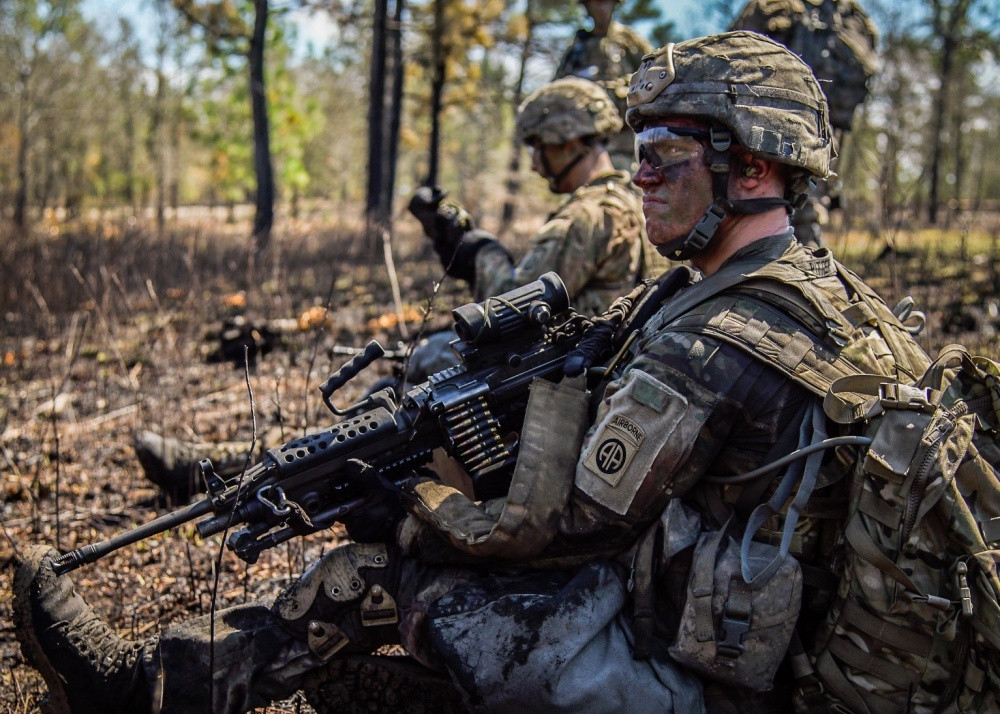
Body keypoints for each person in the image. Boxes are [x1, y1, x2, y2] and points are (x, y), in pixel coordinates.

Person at [12, 32, 936, 714]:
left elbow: (554, 534)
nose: (642, 176)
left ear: (756, 163)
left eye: (664, 154)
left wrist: (414, 496)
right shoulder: (819, 292)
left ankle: (139, 691)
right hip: (764, 639)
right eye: (637, 149)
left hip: (710, 679)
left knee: (371, 574)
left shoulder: (715, 340)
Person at [134, 76, 647, 501]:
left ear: (567, 139)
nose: (534, 163)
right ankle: (253, 461)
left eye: (539, 147)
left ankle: (251, 469)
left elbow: (515, 302)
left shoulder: (585, 216)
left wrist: (478, 250)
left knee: (419, 374)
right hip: (567, 386)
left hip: (544, 395)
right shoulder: (636, 203)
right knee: (409, 376)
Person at [730, 0, 878, 246]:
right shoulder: (851, 16)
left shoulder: (772, 6)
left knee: (791, 207)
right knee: (803, 207)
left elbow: (729, 60)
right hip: (819, 130)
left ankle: (803, 270)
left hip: (786, 129)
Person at [555, 0, 653, 170]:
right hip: (585, 144)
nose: (602, 8)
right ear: (587, 7)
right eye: (597, 3)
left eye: (606, 2)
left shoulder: (628, 40)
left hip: (624, 143)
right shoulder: (578, 48)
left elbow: (655, 72)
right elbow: (558, 89)